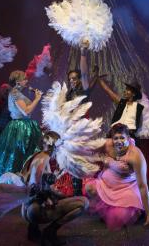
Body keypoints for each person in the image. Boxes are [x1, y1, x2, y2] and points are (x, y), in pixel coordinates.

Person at [21, 130, 89, 245]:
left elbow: (27, 181)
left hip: (25, 208)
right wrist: (48, 198)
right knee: (84, 203)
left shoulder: (35, 156)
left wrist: (56, 183)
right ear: (54, 146)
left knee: (61, 197)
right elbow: (36, 187)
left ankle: (33, 229)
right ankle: (50, 232)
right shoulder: (45, 159)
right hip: (36, 210)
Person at [85, 123, 149, 230]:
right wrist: (108, 161)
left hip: (126, 188)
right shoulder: (107, 144)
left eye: (122, 138)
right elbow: (89, 151)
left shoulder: (135, 155)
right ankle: (107, 209)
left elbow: (143, 186)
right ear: (112, 139)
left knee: (119, 216)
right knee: (89, 188)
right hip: (107, 186)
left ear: (128, 138)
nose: (119, 141)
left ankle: (140, 211)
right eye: (116, 138)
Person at [0, 70, 42, 186]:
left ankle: (25, 182)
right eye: (24, 79)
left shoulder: (17, 93)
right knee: (18, 155)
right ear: (17, 82)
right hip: (20, 127)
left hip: (24, 126)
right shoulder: (15, 93)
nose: (26, 81)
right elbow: (26, 111)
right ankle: (13, 184)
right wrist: (37, 99)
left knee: (24, 155)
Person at [65, 40, 91, 196]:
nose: (72, 81)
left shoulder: (85, 90)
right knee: (72, 158)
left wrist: (83, 54)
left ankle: (81, 191)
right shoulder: (69, 94)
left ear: (80, 79)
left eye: (75, 78)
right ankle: (75, 189)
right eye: (70, 79)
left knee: (80, 159)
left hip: (82, 128)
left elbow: (85, 72)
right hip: (71, 129)